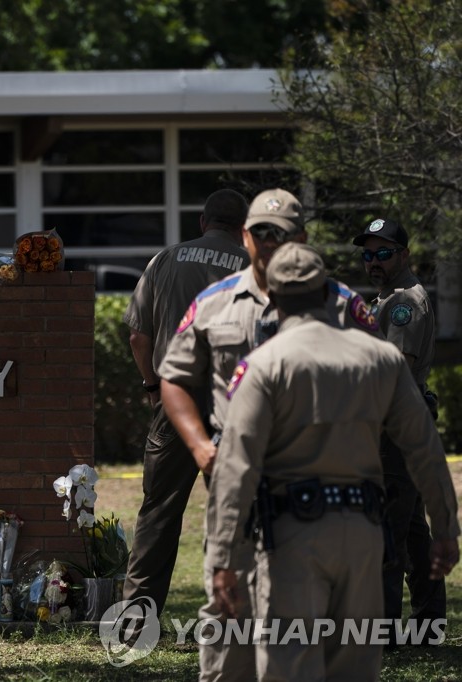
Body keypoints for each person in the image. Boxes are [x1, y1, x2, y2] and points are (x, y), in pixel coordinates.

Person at [206, 242, 459, 680]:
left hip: (292, 535)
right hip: (361, 537)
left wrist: (226, 554)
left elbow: (236, 468)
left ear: (274, 299)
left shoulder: (264, 365)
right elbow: (424, 449)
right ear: (328, 294)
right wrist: (446, 528)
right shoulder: (381, 359)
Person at [158, 188, 379, 681]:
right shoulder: (214, 303)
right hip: (236, 486)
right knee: (229, 620)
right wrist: (199, 445)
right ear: (244, 236)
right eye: (260, 232)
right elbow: (172, 377)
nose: (269, 241)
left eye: (280, 234)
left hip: (319, 491)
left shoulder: (341, 304)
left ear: (301, 238)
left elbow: (382, 377)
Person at [120, 188, 249, 617]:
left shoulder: (164, 260)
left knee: (158, 510)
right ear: (243, 227)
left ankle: (136, 620)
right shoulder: (255, 267)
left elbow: (138, 335)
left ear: (202, 222)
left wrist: (153, 387)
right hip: (236, 404)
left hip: (175, 403)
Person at [352, 218, 444, 638]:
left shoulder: (404, 301)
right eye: (368, 254)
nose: (373, 261)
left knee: (386, 527)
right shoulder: (387, 297)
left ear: (403, 255)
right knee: (409, 527)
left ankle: (383, 631)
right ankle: (427, 624)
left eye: (383, 253)